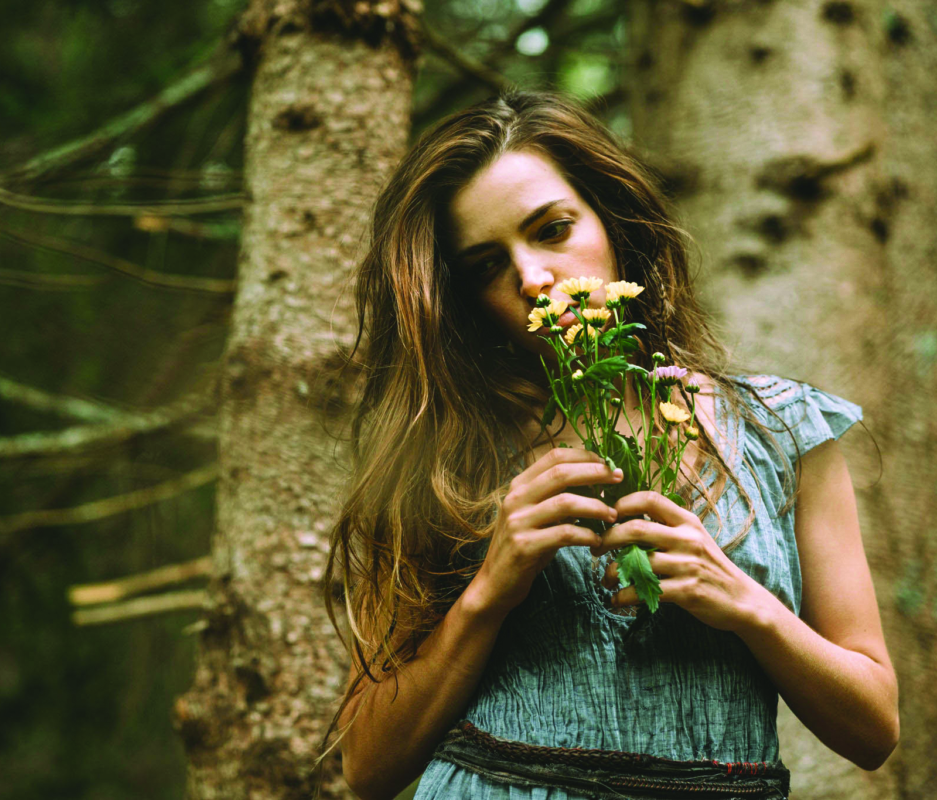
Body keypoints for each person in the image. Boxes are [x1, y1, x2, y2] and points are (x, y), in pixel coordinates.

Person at [320, 90, 898, 800]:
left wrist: (748, 605)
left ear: (613, 219)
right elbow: (367, 768)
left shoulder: (782, 431)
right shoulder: (445, 460)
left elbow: (874, 728)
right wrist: (488, 594)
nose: (532, 278)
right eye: (487, 266)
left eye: (552, 229)